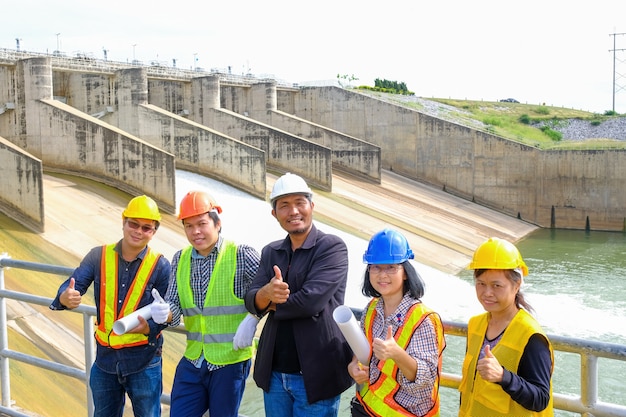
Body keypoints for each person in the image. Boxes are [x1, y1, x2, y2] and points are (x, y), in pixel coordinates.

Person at [50, 195, 171, 417]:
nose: (138, 231)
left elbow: (169, 312)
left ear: (154, 232)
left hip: (144, 362)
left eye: (146, 228)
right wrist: (64, 297)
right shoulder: (99, 256)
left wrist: (150, 327)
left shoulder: (161, 266)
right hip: (105, 361)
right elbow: (74, 283)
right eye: (133, 224)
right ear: (123, 222)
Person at [244, 172, 354, 417]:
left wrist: (268, 301)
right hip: (274, 373)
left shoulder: (332, 247)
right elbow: (251, 300)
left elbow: (309, 303)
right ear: (275, 214)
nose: (293, 211)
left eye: (299, 203)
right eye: (284, 205)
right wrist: (265, 293)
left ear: (312, 206)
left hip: (317, 373)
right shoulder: (271, 251)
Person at [164, 190, 261, 417]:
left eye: (202, 224)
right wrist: (166, 313)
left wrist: (253, 318)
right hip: (194, 359)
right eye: (189, 226)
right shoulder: (180, 258)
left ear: (217, 224)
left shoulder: (241, 255)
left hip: (230, 361)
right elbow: (174, 304)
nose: (195, 232)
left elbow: (269, 294)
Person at [348, 228, 446, 417]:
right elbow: (360, 349)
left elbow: (424, 382)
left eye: (391, 267)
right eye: (375, 267)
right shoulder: (372, 308)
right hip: (366, 407)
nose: (382, 275)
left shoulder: (423, 319)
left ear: (405, 273)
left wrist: (396, 354)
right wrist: (353, 366)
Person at [458, 237, 554, 417]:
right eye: (481, 284)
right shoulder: (476, 325)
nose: (487, 293)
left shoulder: (530, 335)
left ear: (516, 285)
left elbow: (541, 398)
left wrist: (504, 376)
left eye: (497, 285)